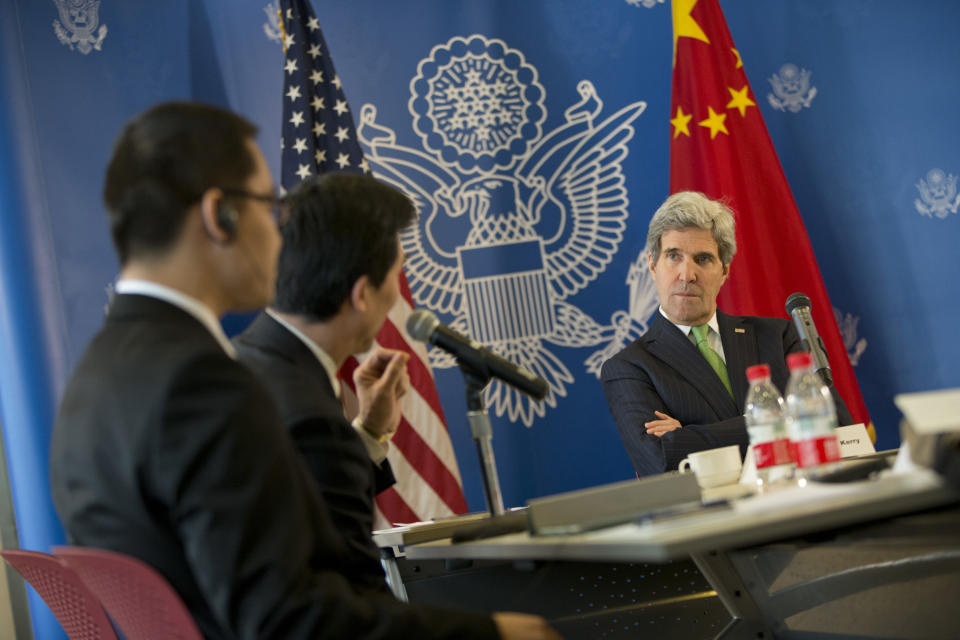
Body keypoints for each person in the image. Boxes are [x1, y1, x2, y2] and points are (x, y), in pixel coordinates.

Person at [50, 102, 560, 640]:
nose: (279, 241)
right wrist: (497, 634)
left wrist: (364, 434)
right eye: (268, 207)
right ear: (218, 215)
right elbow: (288, 621)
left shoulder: (96, 375)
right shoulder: (203, 384)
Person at [233, 173, 412, 593]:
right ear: (362, 294)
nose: (398, 296)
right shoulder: (307, 413)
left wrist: (368, 431)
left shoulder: (248, 359)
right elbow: (354, 603)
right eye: (397, 276)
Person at [601, 191, 852, 477]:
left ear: (724, 271)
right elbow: (660, 459)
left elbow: (835, 426)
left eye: (703, 259)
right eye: (673, 256)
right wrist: (783, 419)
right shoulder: (629, 368)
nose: (687, 274)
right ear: (652, 265)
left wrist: (690, 435)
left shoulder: (777, 337)